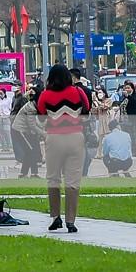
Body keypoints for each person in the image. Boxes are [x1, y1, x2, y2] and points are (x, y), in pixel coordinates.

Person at [36, 62, 91, 233]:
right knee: (73, 181)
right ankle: (71, 221)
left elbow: (41, 117)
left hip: (54, 138)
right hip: (76, 137)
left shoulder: (45, 95)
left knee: (53, 179)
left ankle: (55, 217)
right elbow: (87, 109)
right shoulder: (78, 92)